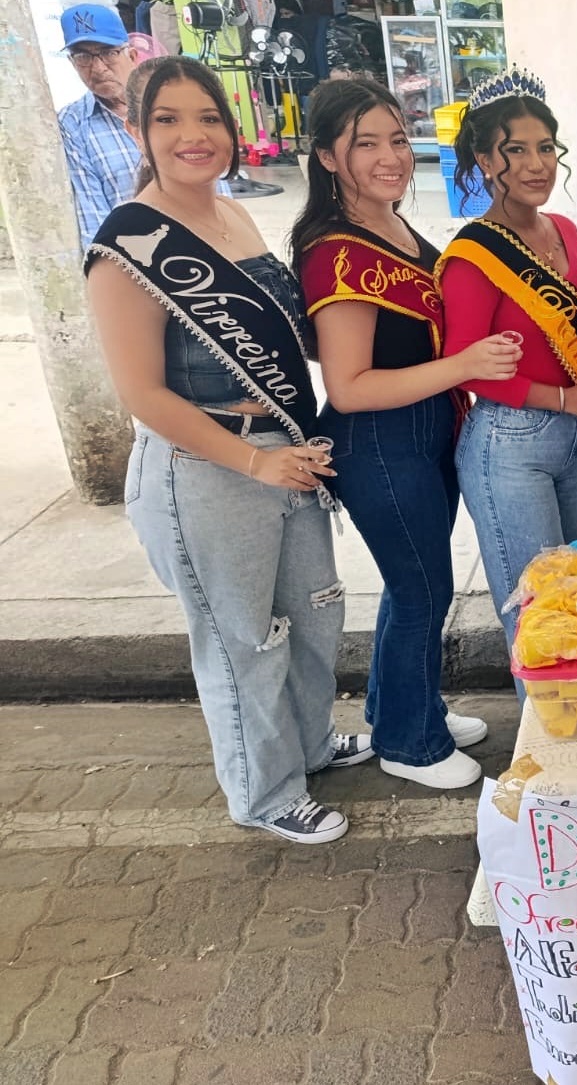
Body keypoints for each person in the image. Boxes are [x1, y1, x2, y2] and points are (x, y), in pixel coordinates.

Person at [84, 57, 364, 844]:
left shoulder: (234, 215)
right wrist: (254, 462)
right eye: (168, 119)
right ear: (137, 131)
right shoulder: (124, 246)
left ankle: (310, 745)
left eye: (208, 117)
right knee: (244, 637)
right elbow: (144, 395)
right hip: (207, 467)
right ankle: (265, 792)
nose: (193, 135)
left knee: (313, 615)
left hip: (285, 449)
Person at [293, 80, 515, 789]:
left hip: (425, 430)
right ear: (328, 156)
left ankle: (405, 708)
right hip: (380, 440)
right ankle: (409, 744)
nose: (390, 157)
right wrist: (466, 365)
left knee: (412, 584)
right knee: (422, 590)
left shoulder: (389, 225)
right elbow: (350, 386)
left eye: (397, 139)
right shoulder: (336, 252)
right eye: (366, 143)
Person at [438, 69, 577, 658]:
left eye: (545, 147)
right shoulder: (472, 255)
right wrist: (564, 399)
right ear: (486, 160)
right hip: (510, 443)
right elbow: (465, 367)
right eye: (516, 150)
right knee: (539, 617)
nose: (536, 164)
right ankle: (537, 722)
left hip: (575, 437)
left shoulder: (564, 230)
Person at [57, 5, 226, 248]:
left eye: (108, 53)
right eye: (83, 57)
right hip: (135, 257)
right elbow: (92, 220)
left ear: (132, 55)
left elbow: (216, 188)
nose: (98, 68)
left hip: (207, 244)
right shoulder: (72, 125)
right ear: (72, 62)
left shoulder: (174, 101)